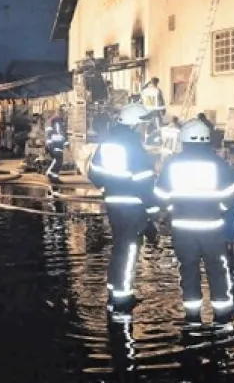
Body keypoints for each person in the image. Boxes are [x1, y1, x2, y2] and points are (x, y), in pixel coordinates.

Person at [154, 118, 234, 325]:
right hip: (212, 228)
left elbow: (160, 194)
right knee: (218, 269)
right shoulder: (218, 163)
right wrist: (217, 210)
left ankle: (192, 317)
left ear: (184, 139)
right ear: (207, 140)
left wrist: (174, 209)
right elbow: (232, 193)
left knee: (188, 269)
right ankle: (222, 317)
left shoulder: (173, 163)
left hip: (183, 228)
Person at [87, 102, 159, 313]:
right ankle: (122, 298)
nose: (145, 129)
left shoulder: (108, 143)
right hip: (133, 207)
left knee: (119, 247)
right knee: (128, 250)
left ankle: (113, 291)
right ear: (135, 124)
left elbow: (94, 175)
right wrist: (153, 214)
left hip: (113, 204)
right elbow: (145, 184)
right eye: (143, 124)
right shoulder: (134, 147)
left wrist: (111, 188)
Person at [45, 105, 68, 185]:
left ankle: (52, 174)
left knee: (58, 160)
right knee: (58, 160)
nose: (64, 113)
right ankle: (52, 174)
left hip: (58, 143)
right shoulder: (54, 120)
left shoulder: (60, 120)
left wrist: (66, 143)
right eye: (63, 112)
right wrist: (49, 144)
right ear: (59, 111)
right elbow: (49, 133)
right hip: (55, 144)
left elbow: (64, 133)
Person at [139, 77, 166, 142]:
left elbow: (141, 99)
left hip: (147, 110)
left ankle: (144, 140)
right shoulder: (157, 90)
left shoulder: (145, 90)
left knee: (146, 126)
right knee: (159, 126)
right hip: (155, 110)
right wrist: (163, 109)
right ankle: (160, 140)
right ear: (157, 82)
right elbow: (160, 100)